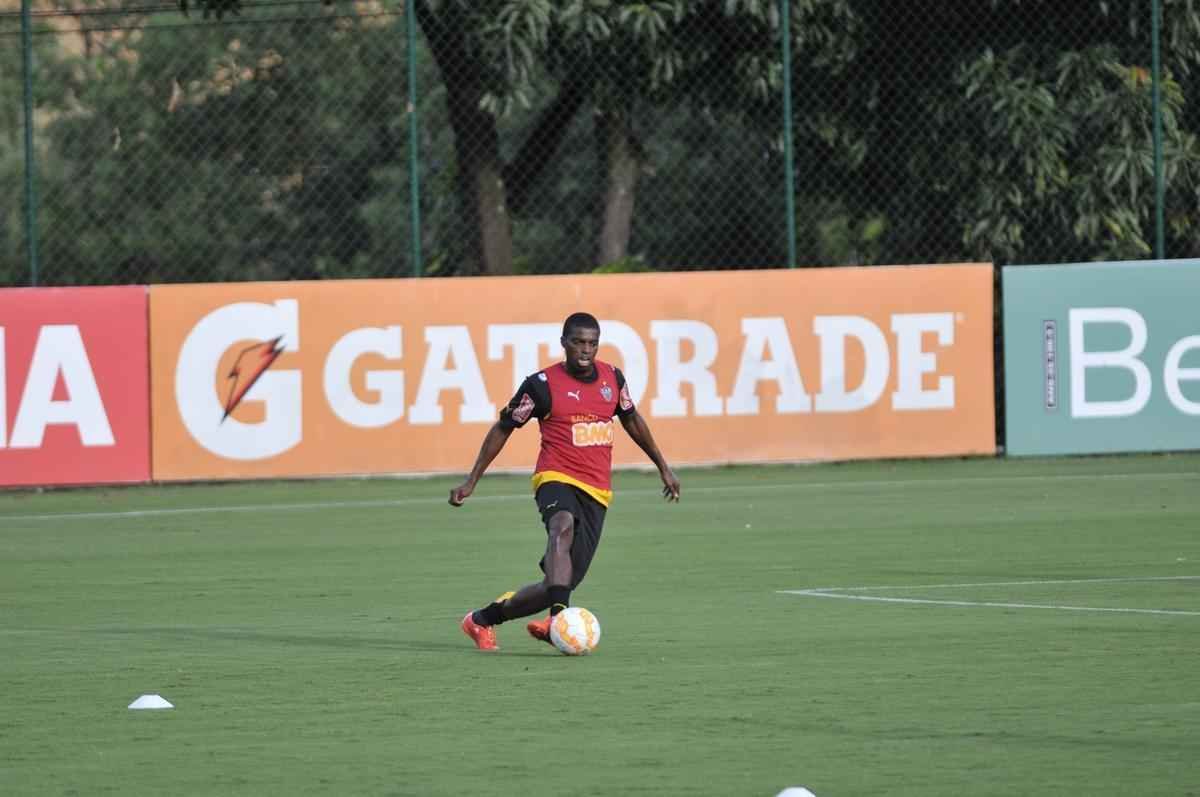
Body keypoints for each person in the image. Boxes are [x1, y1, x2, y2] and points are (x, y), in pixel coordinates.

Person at [449, 312, 681, 651]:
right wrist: (472, 481)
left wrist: (663, 466)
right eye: (578, 343)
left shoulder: (612, 379)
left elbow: (632, 420)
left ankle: (481, 620)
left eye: (592, 343)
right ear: (564, 344)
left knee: (556, 583)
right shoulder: (541, 386)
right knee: (561, 525)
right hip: (555, 476)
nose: (586, 350)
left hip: (597, 491)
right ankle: (560, 619)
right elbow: (504, 428)